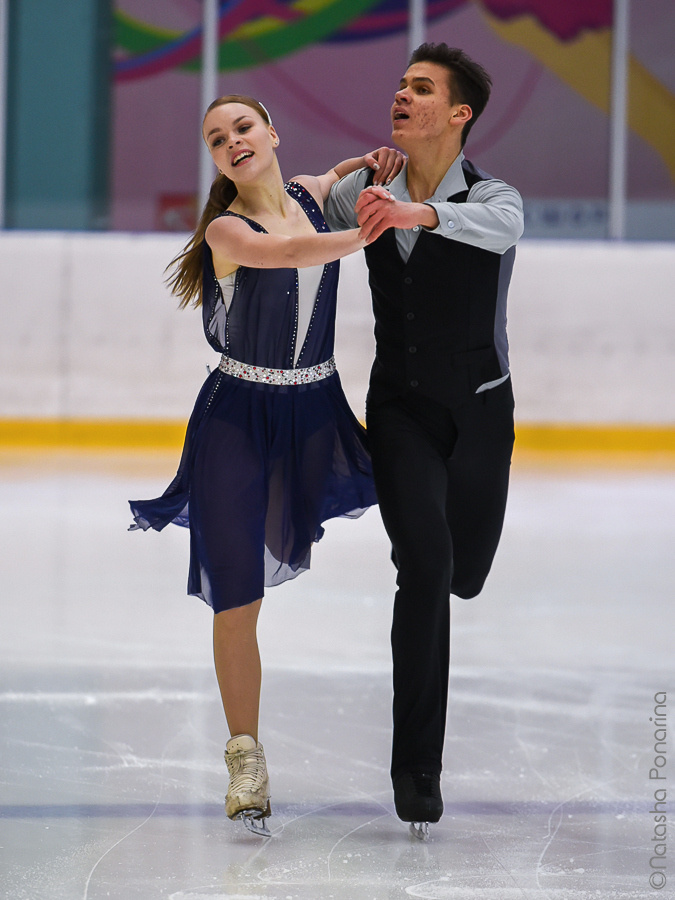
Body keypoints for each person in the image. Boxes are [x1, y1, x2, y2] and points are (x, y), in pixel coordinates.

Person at [129, 95, 403, 836]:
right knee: (236, 593)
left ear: (271, 133)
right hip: (236, 421)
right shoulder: (226, 228)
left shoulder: (312, 199)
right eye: (216, 138)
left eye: (242, 127)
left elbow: (327, 179)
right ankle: (245, 755)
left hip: (315, 414)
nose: (231, 142)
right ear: (216, 160)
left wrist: (365, 170)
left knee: (403, 501)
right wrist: (367, 231)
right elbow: (281, 254)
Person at [324, 44, 524, 836]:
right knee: (424, 570)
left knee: (464, 576)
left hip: (479, 411)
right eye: (401, 85)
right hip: (399, 409)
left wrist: (420, 212)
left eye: (420, 88)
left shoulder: (493, 194)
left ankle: (456, 575)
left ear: (458, 112)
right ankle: (416, 770)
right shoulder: (364, 188)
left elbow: (500, 227)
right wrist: (348, 178)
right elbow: (300, 209)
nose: (400, 96)